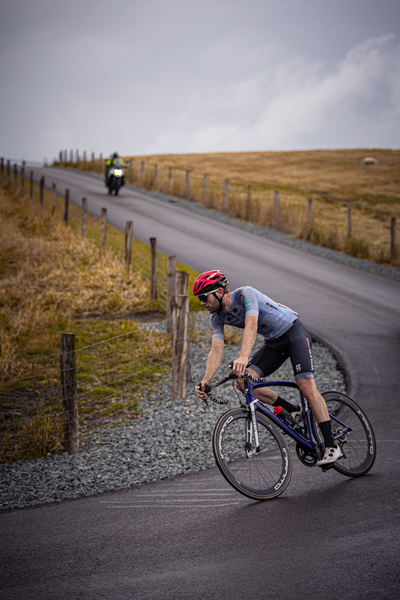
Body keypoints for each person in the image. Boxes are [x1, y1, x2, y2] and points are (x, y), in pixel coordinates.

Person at [193, 269, 343, 466]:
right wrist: (206, 381)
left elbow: (252, 324)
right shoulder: (217, 317)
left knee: (306, 387)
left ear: (220, 292)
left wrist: (243, 358)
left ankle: (332, 446)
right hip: (273, 344)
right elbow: (216, 349)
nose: (202, 303)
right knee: (242, 382)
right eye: (199, 299)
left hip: (293, 333)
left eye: (204, 297)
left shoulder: (246, 294)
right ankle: (293, 410)